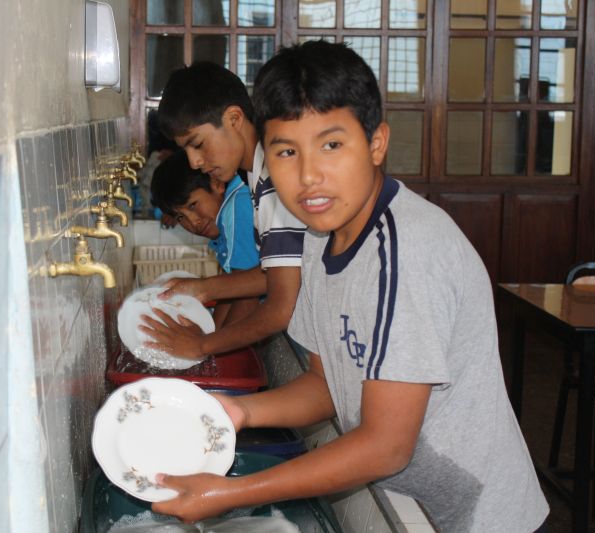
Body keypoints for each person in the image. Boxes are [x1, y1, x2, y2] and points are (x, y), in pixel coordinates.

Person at [151, 41, 549, 533]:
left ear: (377, 143)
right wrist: (236, 411)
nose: (309, 176)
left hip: (477, 518)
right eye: (287, 151)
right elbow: (329, 386)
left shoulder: (407, 252)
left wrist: (231, 493)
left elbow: (386, 445)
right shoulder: (321, 239)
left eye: (332, 145)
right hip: (411, 506)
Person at [139, 61, 306, 358]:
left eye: (198, 144)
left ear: (234, 118)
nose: (194, 162)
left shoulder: (274, 178)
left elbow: (282, 305)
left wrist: (202, 346)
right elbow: (277, 272)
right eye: (186, 150)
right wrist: (203, 288)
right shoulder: (256, 177)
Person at [150, 151, 260, 328]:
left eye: (193, 205)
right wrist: (210, 334)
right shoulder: (227, 212)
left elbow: (247, 296)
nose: (193, 222)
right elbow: (231, 287)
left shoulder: (236, 210)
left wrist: (211, 342)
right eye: (180, 217)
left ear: (216, 183)